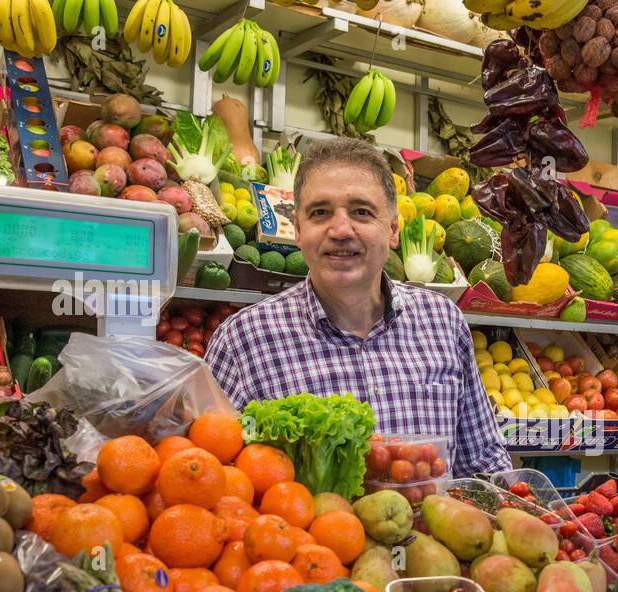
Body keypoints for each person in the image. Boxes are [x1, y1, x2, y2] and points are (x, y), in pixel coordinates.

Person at [205, 137, 511, 477]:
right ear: (299, 230)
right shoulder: (243, 340)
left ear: (393, 229)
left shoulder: (442, 321)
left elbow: (484, 462)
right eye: (320, 212)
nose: (340, 230)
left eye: (361, 212)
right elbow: (216, 476)